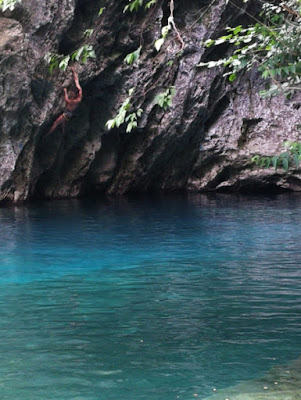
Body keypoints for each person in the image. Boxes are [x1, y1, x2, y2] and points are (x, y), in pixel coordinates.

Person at [46, 66, 82, 136]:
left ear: (76, 94)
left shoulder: (77, 100)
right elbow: (76, 80)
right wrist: (73, 70)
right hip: (67, 110)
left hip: (67, 113)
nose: (71, 93)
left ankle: (47, 135)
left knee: (56, 123)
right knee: (63, 124)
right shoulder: (79, 89)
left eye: (72, 92)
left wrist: (65, 92)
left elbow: (67, 101)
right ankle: (63, 134)